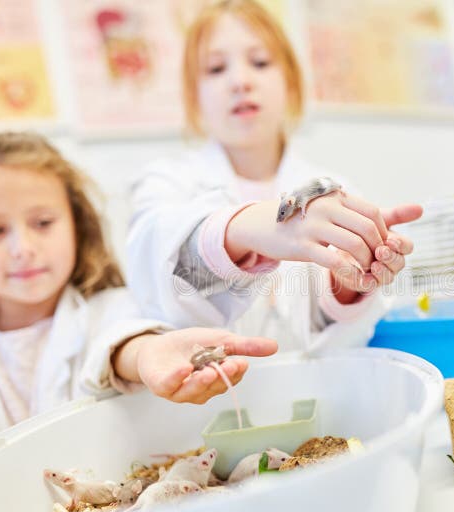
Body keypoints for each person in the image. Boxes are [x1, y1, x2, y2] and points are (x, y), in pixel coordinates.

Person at [0, 132, 277, 477]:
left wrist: (146, 354)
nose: (23, 248)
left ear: (76, 228)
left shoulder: (116, 311)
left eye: (43, 223)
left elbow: (122, 346)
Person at [127, 0, 422, 354]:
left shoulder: (334, 193)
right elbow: (155, 263)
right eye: (216, 68)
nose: (240, 81)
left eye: (260, 62)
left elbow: (345, 336)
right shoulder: (166, 183)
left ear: (291, 82)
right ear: (194, 96)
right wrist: (241, 230)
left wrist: (349, 284)